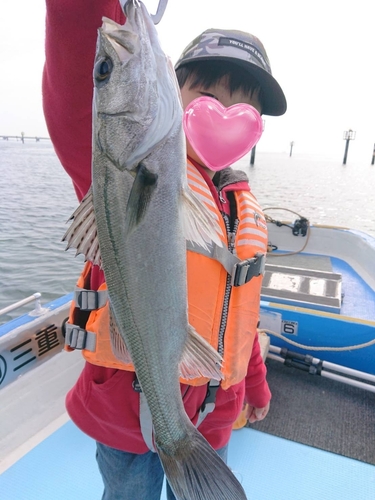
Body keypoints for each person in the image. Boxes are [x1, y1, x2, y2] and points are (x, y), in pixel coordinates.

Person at [43, 2, 286, 499]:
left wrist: (255, 386)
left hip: (212, 417)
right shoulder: (117, 165)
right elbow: (79, 52)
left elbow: (241, 311)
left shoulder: (241, 207)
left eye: (241, 106)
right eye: (206, 94)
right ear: (174, 93)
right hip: (123, 422)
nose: (221, 113)